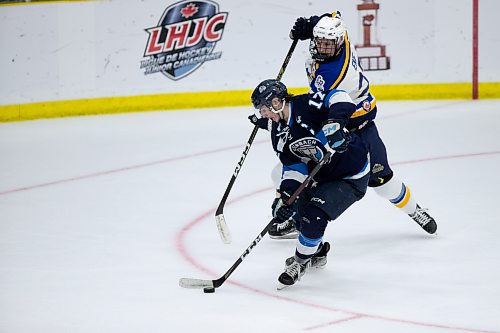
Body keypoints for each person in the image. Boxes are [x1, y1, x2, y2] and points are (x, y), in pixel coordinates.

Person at [250, 11, 437, 238]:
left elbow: (313, 109)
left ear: (338, 43)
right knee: (284, 171)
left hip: (356, 126)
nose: (322, 48)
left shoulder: (333, 76)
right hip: (333, 124)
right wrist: (309, 25)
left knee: (382, 180)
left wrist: (276, 114)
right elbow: (331, 16)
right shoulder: (341, 39)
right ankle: (297, 218)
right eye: (319, 42)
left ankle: (414, 210)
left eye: (328, 44)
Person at [250, 78, 370, 289]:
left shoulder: (308, 104)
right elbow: (294, 166)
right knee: (297, 214)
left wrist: (336, 122)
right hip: (323, 175)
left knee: (315, 215)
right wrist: (286, 196)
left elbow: (340, 97)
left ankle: (299, 262)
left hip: (351, 174)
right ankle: (316, 251)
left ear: (276, 102)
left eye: (263, 109)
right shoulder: (278, 134)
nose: (263, 115)